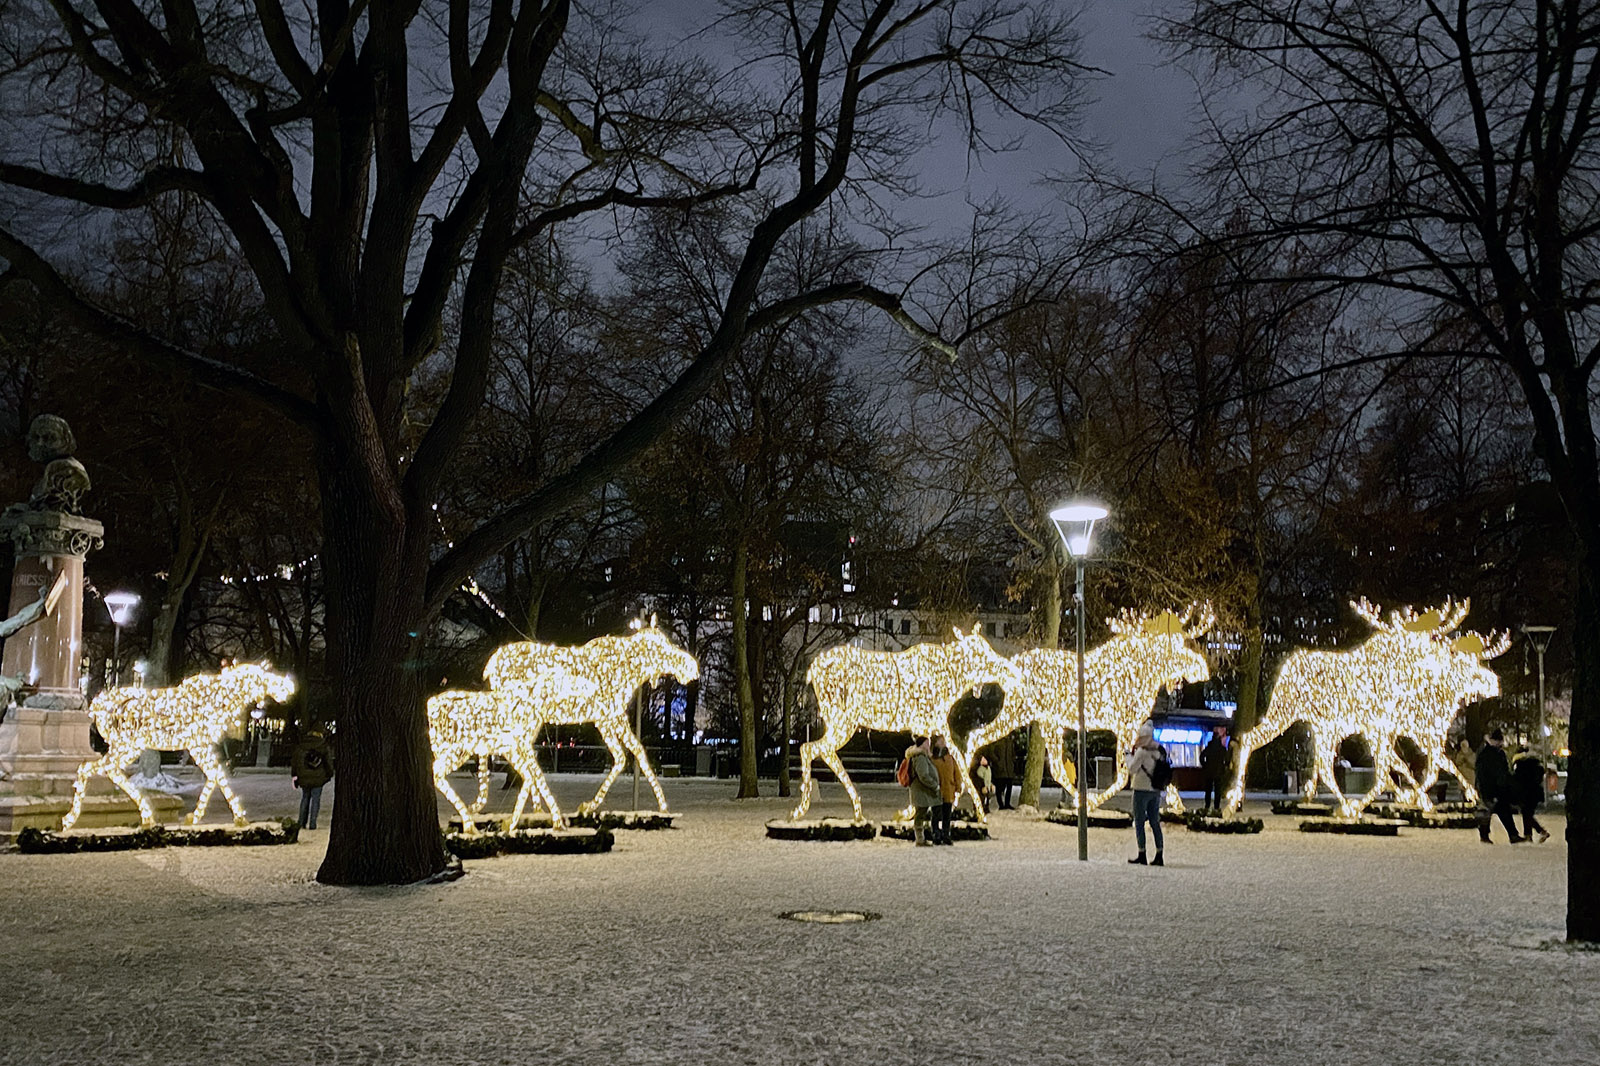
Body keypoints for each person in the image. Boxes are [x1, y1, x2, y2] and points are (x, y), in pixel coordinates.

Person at [1125, 721, 1166, 866]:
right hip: (1155, 790)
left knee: (1140, 822)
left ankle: (1142, 853)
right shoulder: (1158, 752)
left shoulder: (1141, 752)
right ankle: (1159, 854)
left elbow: (1132, 768)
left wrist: (1128, 756)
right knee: (1155, 822)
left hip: (1141, 789)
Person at [1474, 729, 1522, 844]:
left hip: (1496, 788)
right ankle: (1509, 834)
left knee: (1497, 811)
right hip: (1492, 788)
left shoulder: (1492, 753)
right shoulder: (1491, 755)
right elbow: (1489, 774)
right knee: (1493, 811)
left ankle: (1510, 834)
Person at [291, 728, 334, 830]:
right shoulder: (323, 747)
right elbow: (328, 762)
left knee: (305, 798)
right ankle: (312, 823)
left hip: (304, 776)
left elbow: (295, 762)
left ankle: (301, 822)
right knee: (316, 800)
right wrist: (329, 774)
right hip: (318, 777)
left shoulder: (301, 746)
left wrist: (295, 774)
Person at [1511, 745, 1551, 843]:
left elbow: (1517, 778)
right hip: (1535, 792)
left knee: (1526, 813)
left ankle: (1537, 833)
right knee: (1527, 813)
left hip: (1525, 792)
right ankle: (1531, 834)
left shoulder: (1520, 764)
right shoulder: (1535, 763)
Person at [904, 736, 940, 846]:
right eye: (927, 743)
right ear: (922, 744)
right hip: (921, 791)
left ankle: (920, 838)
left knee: (921, 814)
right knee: (920, 814)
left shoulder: (923, 756)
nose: (929, 745)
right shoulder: (920, 757)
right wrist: (934, 785)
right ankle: (920, 839)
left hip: (922, 791)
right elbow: (923, 775)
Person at [930, 735, 961, 845]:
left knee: (947, 815)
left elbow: (956, 773)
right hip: (937, 791)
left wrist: (958, 785)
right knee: (936, 814)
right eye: (940, 741)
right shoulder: (932, 759)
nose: (943, 743)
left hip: (948, 790)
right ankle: (936, 834)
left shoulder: (950, 758)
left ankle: (946, 835)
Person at [1200, 726, 1230, 812]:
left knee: (1208, 790)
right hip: (1218, 772)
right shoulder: (1222, 749)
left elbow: (1202, 756)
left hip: (1209, 771)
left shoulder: (1209, 747)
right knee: (1217, 790)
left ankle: (1207, 805)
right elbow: (1227, 759)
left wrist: (1205, 765)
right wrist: (1224, 767)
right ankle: (1216, 806)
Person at [986, 732, 1017, 810]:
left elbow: (1013, 753)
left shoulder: (1010, 741)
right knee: (999, 787)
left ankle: (1007, 803)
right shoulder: (997, 740)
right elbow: (991, 751)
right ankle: (1001, 804)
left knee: (1009, 786)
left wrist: (1012, 760)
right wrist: (997, 761)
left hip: (1008, 768)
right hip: (1000, 769)